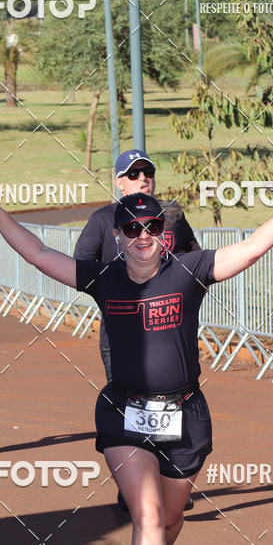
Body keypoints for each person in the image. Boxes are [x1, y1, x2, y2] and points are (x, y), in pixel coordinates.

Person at [0, 158, 273, 545]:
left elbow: (251, 248)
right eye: (131, 227)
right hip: (124, 415)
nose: (142, 235)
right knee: (149, 515)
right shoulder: (102, 279)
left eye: (151, 226)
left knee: (171, 520)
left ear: (163, 234)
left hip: (186, 415)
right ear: (117, 235)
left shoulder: (190, 272)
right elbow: (38, 253)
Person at [73, 148, 199, 512]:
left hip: (170, 331)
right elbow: (83, 263)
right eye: (133, 174)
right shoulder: (103, 219)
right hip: (121, 335)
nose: (142, 178)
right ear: (118, 181)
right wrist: (119, 278)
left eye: (147, 172)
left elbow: (193, 255)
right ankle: (134, 483)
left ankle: (169, 479)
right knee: (132, 408)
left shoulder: (171, 215)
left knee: (171, 404)